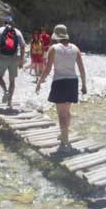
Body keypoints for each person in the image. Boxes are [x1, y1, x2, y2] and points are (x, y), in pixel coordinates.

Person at [36, 24, 87, 154]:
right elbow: (81, 68)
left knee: (61, 115)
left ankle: (65, 141)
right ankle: (64, 135)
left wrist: (39, 82)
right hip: (72, 82)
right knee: (67, 112)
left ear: (56, 36)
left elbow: (47, 69)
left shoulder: (54, 48)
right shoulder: (75, 48)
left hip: (60, 82)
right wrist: (84, 84)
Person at [0, 16, 26, 108]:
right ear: (12, 23)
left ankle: (5, 90)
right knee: (12, 80)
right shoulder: (17, 32)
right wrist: (21, 60)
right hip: (13, 58)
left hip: (2, 57)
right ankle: (9, 102)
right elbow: (22, 47)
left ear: (4, 22)